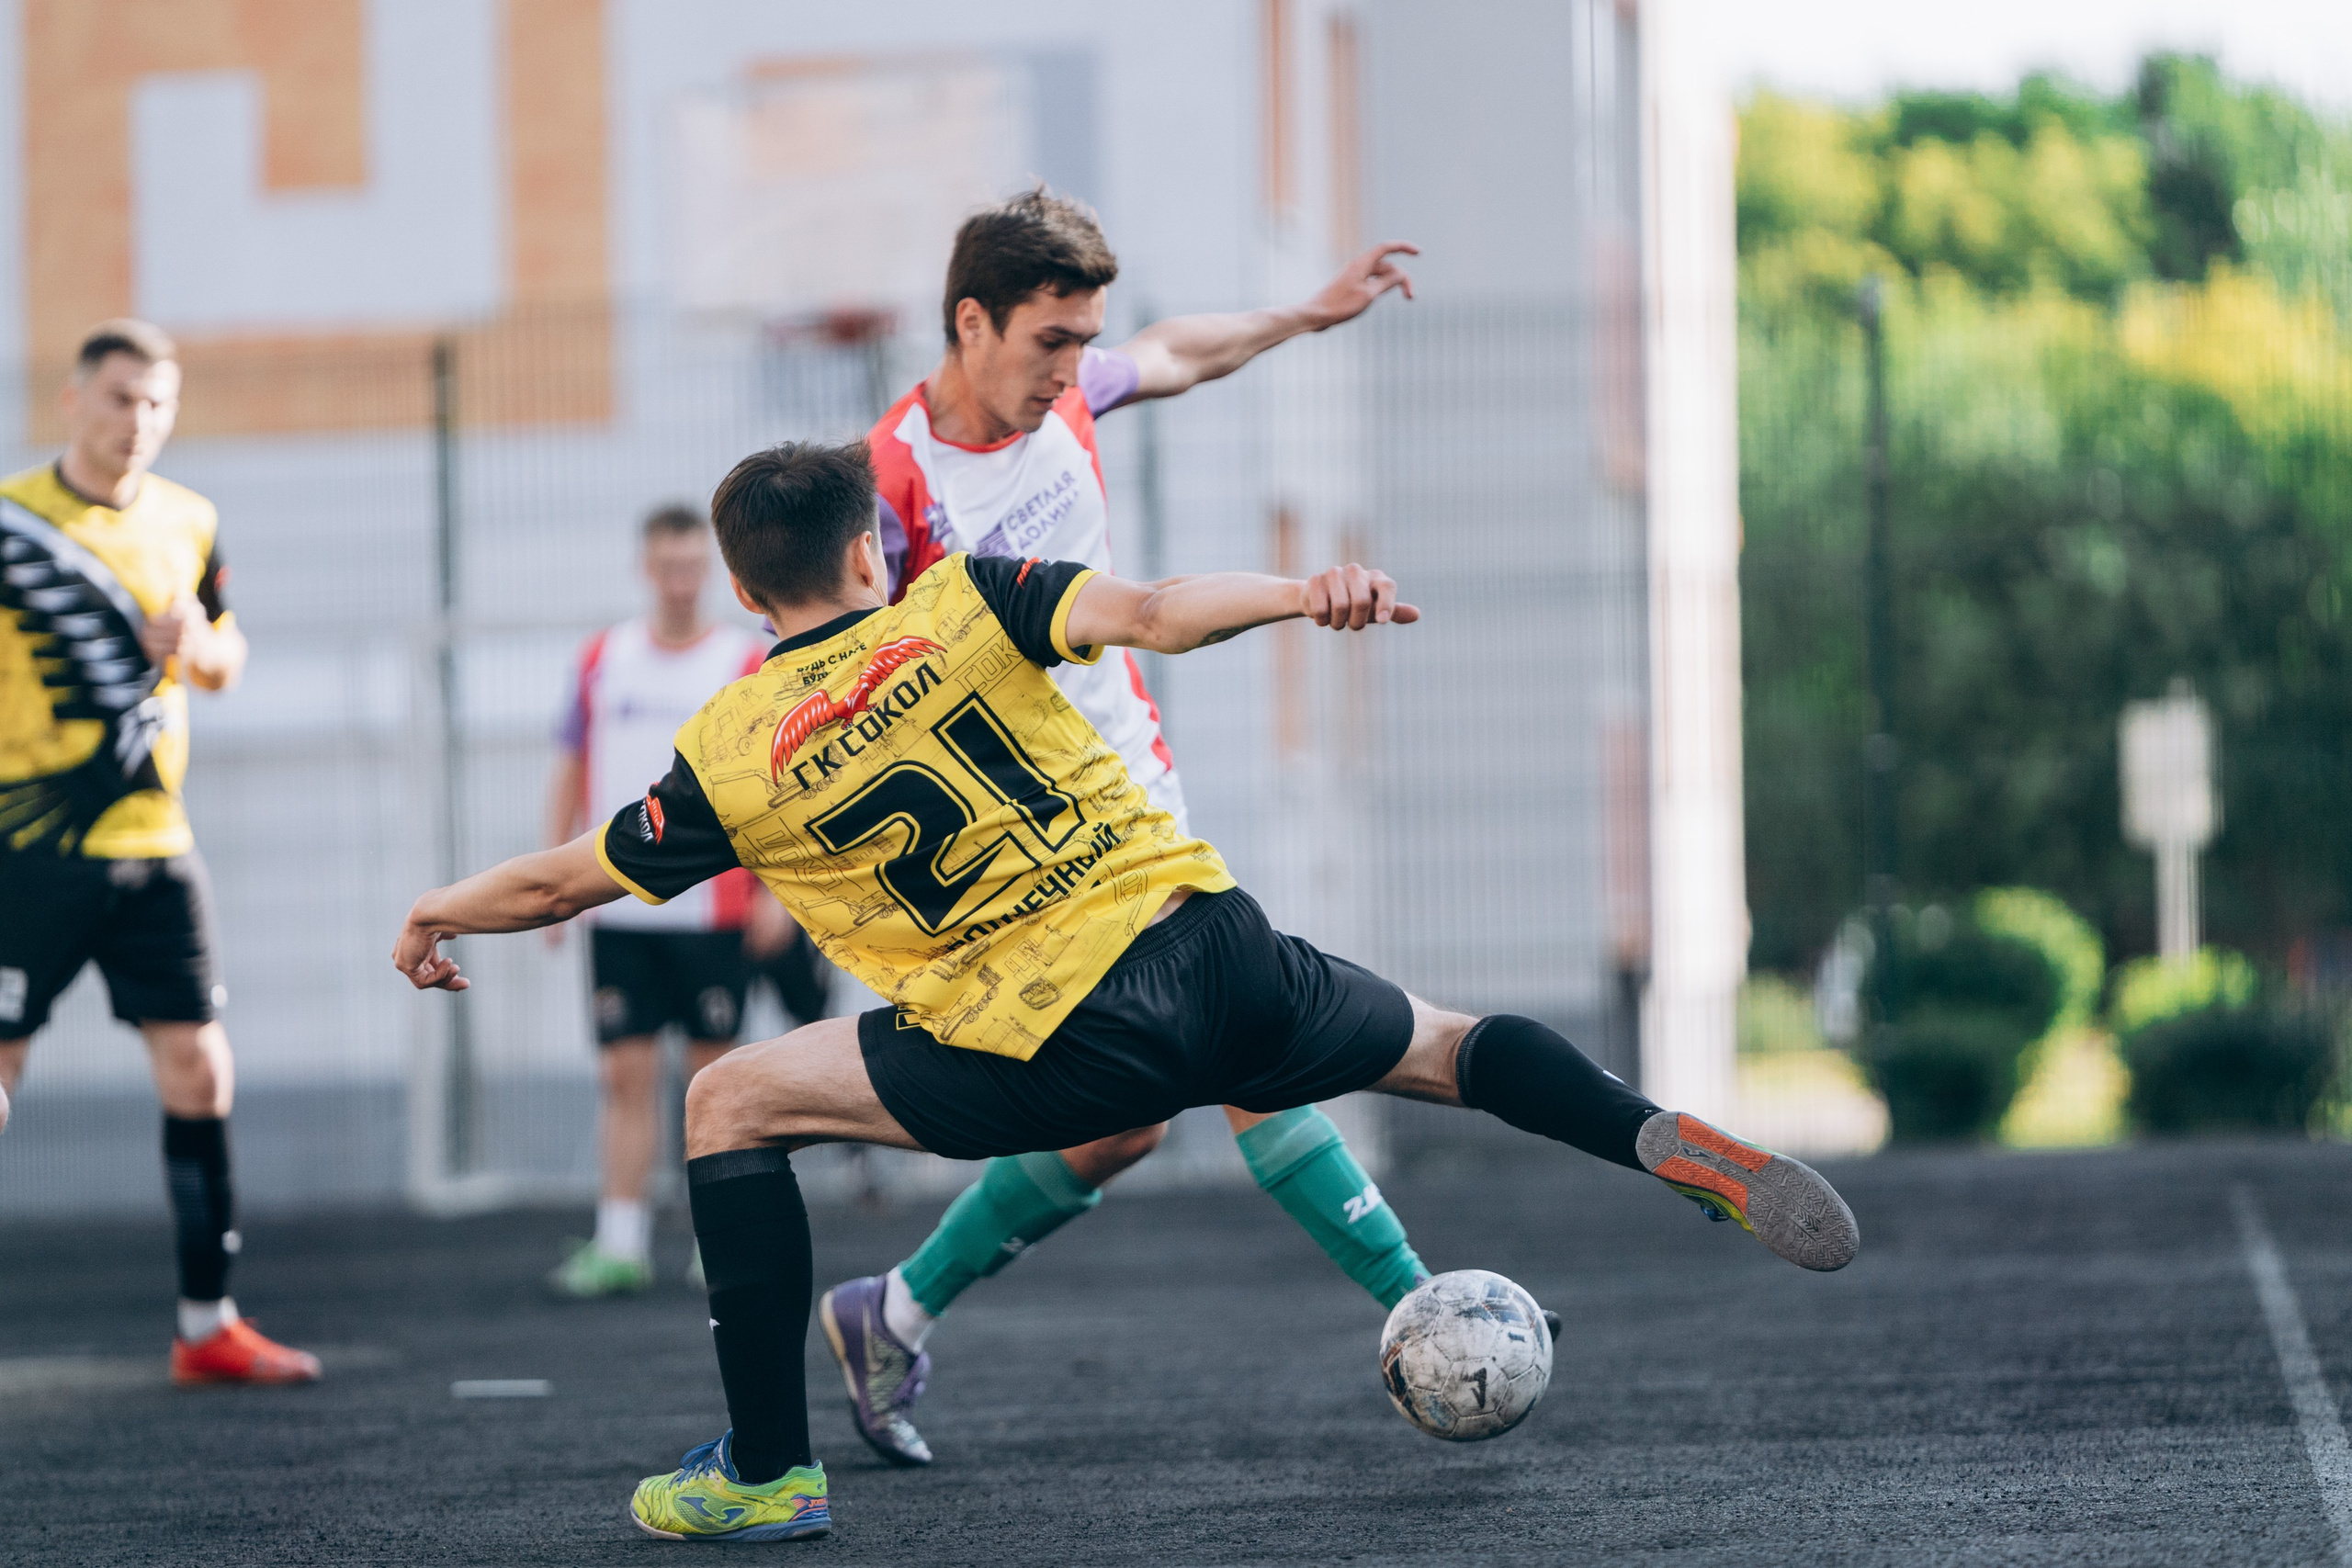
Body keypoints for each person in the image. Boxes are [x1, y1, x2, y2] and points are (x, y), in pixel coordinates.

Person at [392, 441, 1860, 1544]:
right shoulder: (964, 597)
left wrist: (437, 907)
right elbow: (1157, 611)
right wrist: (1303, 591)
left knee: (728, 1098)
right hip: (1213, 942)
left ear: (739, 588)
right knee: (1454, 1043)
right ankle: (1661, 1139)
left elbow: (563, 881)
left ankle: (770, 1470)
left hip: (1044, 1040)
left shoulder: (729, 747)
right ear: (866, 553)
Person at [831, 188, 1430, 1464]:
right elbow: (832, 678)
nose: (1073, 367)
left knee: (1125, 1123)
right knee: (1244, 1032)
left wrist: (1306, 313)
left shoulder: (1066, 398)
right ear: (971, 322)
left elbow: (1176, 353)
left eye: (1082, 341)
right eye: (1050, 340)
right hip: (1033, 847)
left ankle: (893, 1309)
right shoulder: (886, 484)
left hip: (1137, 800)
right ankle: (1425, 1309)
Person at [0, 319, 319, 1384]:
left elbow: (227, 658)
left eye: (155, 402)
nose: (137, 420)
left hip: (156, 845)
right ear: (72, 401)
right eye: (119, 397)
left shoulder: (189, 518)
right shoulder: (11, 519)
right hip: (28, 847)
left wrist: (199, 646)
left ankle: (206, 1324)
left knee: (199, 1066)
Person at [543, 502, 810, 1296]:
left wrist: (776, 893)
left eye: (693, 567)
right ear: (645, 569)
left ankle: (714, 1243)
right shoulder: (604, 659)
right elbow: (570, 767)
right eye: (667, 567)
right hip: (620, 908)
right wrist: (555, 887)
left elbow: (779, 785)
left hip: (712, 910)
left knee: (713, 1085)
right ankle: (620, 1240)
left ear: (714, 573)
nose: (680, 582)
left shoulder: (744, 661)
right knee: (623, 1077)